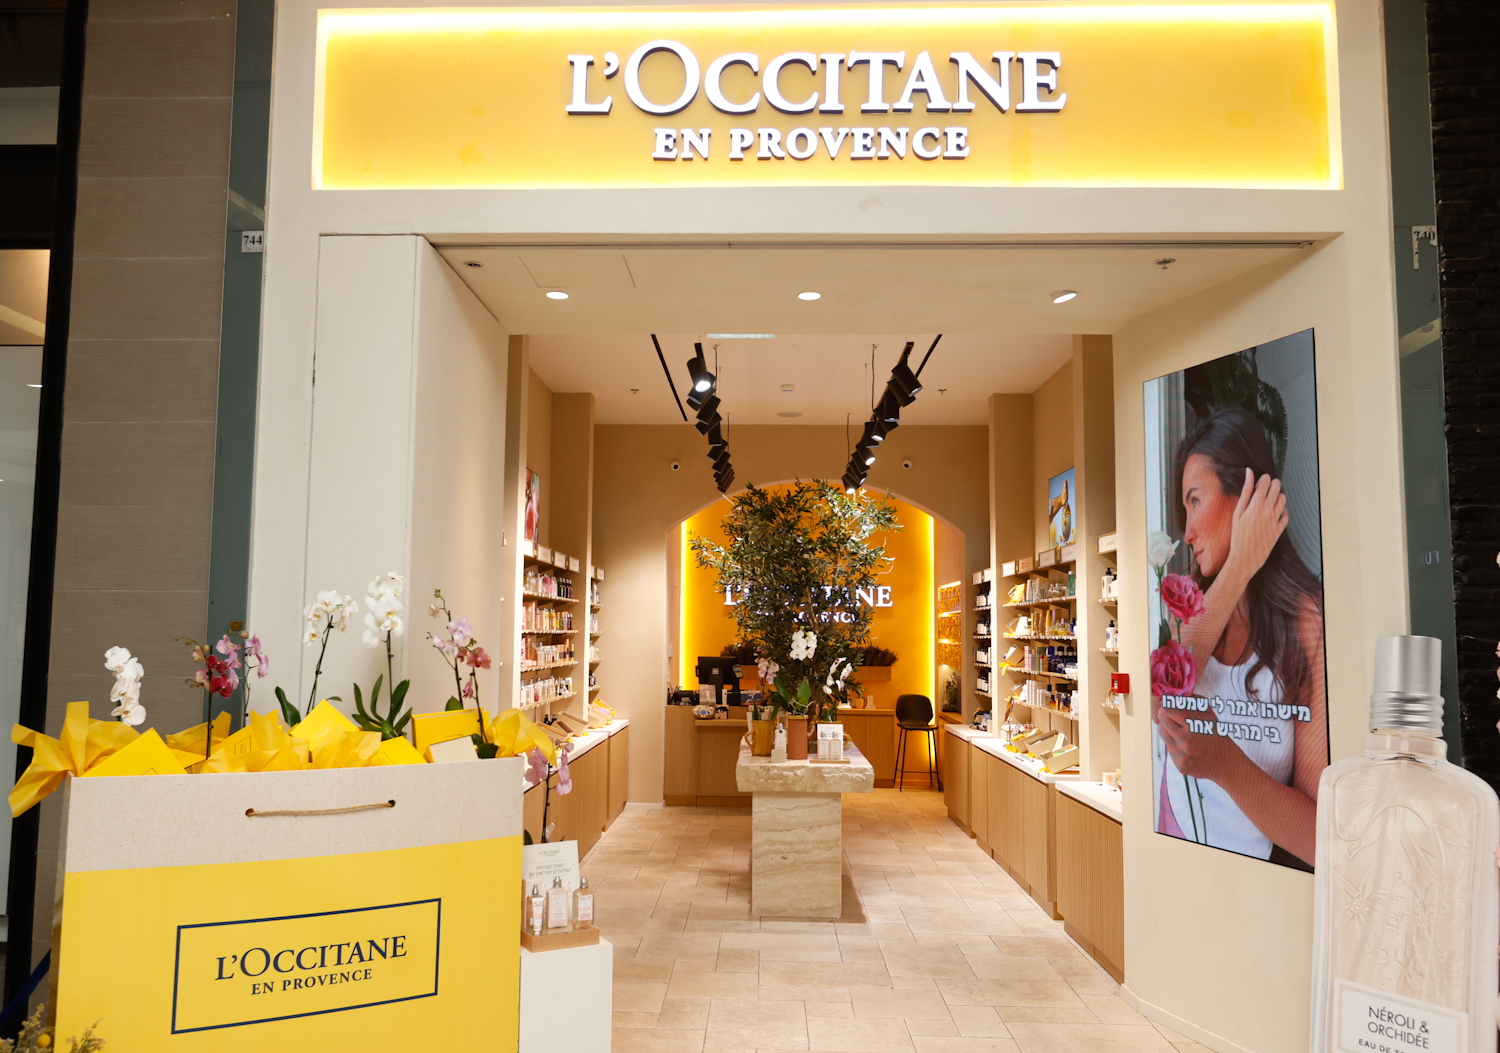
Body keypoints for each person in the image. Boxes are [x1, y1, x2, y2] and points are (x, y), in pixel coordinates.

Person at [1154, 405, 1327, 866]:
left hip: (1250, 879)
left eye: (1195, 501)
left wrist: (1224, 762)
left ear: (1247, 495)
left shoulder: (1307, 621)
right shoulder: (1187, 600)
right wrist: (1239, 568)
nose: (1188, 532)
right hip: (1172, 835)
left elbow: (1319, 840)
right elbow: (1159, 703)